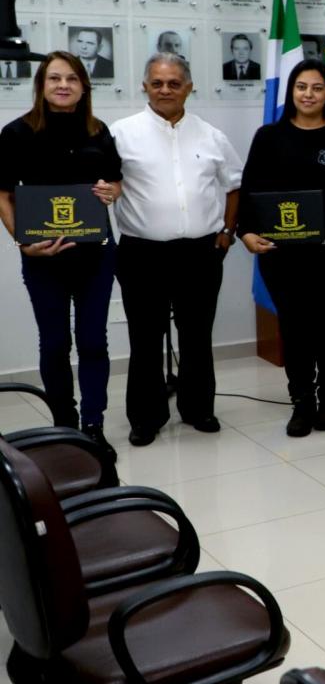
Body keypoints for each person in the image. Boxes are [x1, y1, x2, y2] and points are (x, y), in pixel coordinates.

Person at [110, 54, 241, 445]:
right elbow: (102, 188)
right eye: (157, 83)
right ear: (144, 86)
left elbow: (235, 184)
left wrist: (228, 232)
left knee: (197, 335)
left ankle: (198, 408)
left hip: (201, 253)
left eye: (173, 83)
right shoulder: (120, 134)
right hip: (141, 254)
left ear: (189, 87)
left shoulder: (211, 135)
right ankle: (146, 417)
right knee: (145, 338)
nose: (165, 90)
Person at [0, 51, 123, 447]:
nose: (63, 85)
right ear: (41, 86)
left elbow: (116, 184)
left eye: (71, 78)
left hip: (96, 255)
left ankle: (93, 425)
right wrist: (22, 240)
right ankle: (64, 424)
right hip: (43, 259)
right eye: (54, 79)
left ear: (84, 85)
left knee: (92, 341)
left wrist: (111, 191)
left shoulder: (99, 131)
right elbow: (2, 194)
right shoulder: (16, 133)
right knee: (54, 343)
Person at [238, 59, 325, 437]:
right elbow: (249, 192)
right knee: (294, 330)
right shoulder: (268, 137)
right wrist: (245, 232)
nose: (308, 94)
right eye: (301, 87)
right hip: (283, 254)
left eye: (317, 88)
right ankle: (301, 402)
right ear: (291, 92)